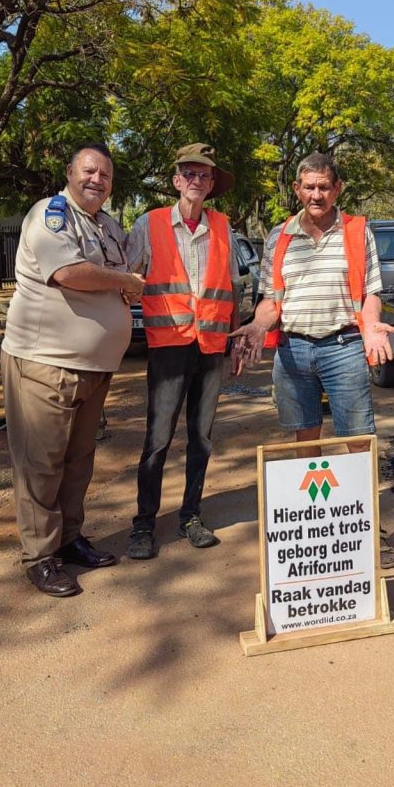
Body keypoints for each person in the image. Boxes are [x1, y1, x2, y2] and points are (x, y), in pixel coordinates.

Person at [230, 151, 394, 568]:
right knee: (306, 439)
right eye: (309, 186)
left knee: (358, 440)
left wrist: (371, 325)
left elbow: (370, 294)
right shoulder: (279, 236)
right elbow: (272, 302)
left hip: (343, 348)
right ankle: (316, 523)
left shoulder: (358, 232)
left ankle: (364, 525)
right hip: (293, 350)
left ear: (337, 188)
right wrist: (256, 326)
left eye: (325, 186)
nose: (317, 194)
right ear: (297, 189)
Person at [2, 143, 143, 597]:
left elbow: (119, 285)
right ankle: (40, 558)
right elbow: (69, 273)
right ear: (69, 173)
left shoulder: (106, 226)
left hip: (93, 368)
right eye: (88, 170)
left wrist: (122, 286)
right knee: (41, 464)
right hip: (46, 363)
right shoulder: (51, 214)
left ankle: (67, 539)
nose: (96, 179)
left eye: (104, 174)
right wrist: (123, 282)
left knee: (78, 461)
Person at [124, 143, 240, 559]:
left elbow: (232, 287)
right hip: (168, 347)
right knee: (157, 439)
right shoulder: (149, 224)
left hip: (211, 348)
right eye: (189, 174)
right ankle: (143, 524)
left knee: (201, 438)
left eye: (204, 176)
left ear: (211, 185)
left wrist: (236, 337)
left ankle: (190, 515)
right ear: (176, 181)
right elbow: (126, 277)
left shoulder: (224, 227)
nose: (197, 181)